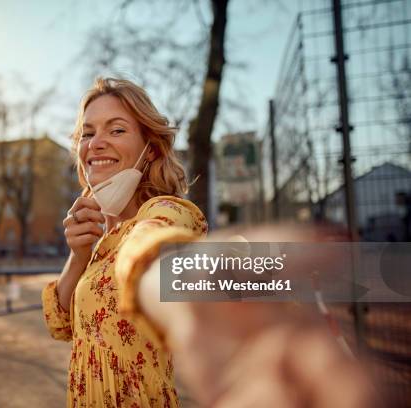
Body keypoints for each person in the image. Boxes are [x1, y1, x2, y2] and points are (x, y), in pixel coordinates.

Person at [42, 77, 373, 407]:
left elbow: (155, 251)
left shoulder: (167, 210)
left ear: (151, 149)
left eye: (116, 130)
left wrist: (178, 280)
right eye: (88, 132)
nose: (96, 143)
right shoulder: (98, 239)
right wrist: (79, 255)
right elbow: (61, 325)